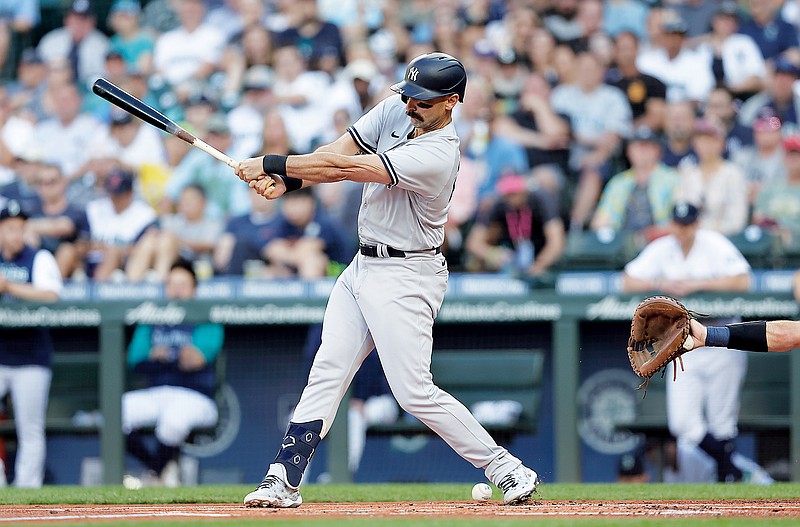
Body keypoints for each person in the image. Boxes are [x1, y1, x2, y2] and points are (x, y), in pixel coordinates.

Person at [236, 52, 539, 508]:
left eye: (424, 100)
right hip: (362, 266)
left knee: (413, 391)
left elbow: (345, 171)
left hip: (408, 274)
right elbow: (335, 153)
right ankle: (283, 478)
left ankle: (505, 468)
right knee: (327, 369)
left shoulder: (439, 153)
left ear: (452, 102)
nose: (411, 105)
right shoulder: (398, 106)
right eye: (411, 94)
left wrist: (272, 162)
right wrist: (289, 182)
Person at [621, 202, 752, 483]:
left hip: (722, 337)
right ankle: (731, 468)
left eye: (687, 225)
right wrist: (661, 282)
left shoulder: (714, 244)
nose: (681, 230)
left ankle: (727, 480)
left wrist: (698, 285)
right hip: (684, 343)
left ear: (696, 224)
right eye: (677, 224)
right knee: (683, 424)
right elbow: (627, 280)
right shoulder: (662, 248)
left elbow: (743, 280)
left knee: (722, 421)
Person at [123, 259, 223, 487]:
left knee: (174, 421)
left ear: (194, 288)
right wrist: (170, 356)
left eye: (183, 284)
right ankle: (157, 469)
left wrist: (161, 355)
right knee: (116, 412)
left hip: (195, 396)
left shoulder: (206, 316)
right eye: (172, 284)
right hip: (155, 393)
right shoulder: (152, 316)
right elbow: (135, 359)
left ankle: (153, 474)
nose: (177, 290)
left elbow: (195, 360)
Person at [0, 200, 63, 488]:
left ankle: (28, 490)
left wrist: (10, 287)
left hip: (31, 354)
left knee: (30, 428)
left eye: (19, 228)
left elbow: (51, 294)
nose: (15, 234)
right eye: (9, 228)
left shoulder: (39, 257)